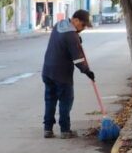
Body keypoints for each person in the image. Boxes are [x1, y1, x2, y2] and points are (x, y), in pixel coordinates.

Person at [41, 8, 95, 139]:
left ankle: (47, 129)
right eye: (82, 25)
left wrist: (77, 38)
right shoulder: (71, 35)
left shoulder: (59, 25)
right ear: (75, 20)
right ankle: (65, 130)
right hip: (62, 74)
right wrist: (87, 71)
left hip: (47, 70)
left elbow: (61, 43)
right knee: (66, 101)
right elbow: (78, 59)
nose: (83, 28)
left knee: (50, 99)